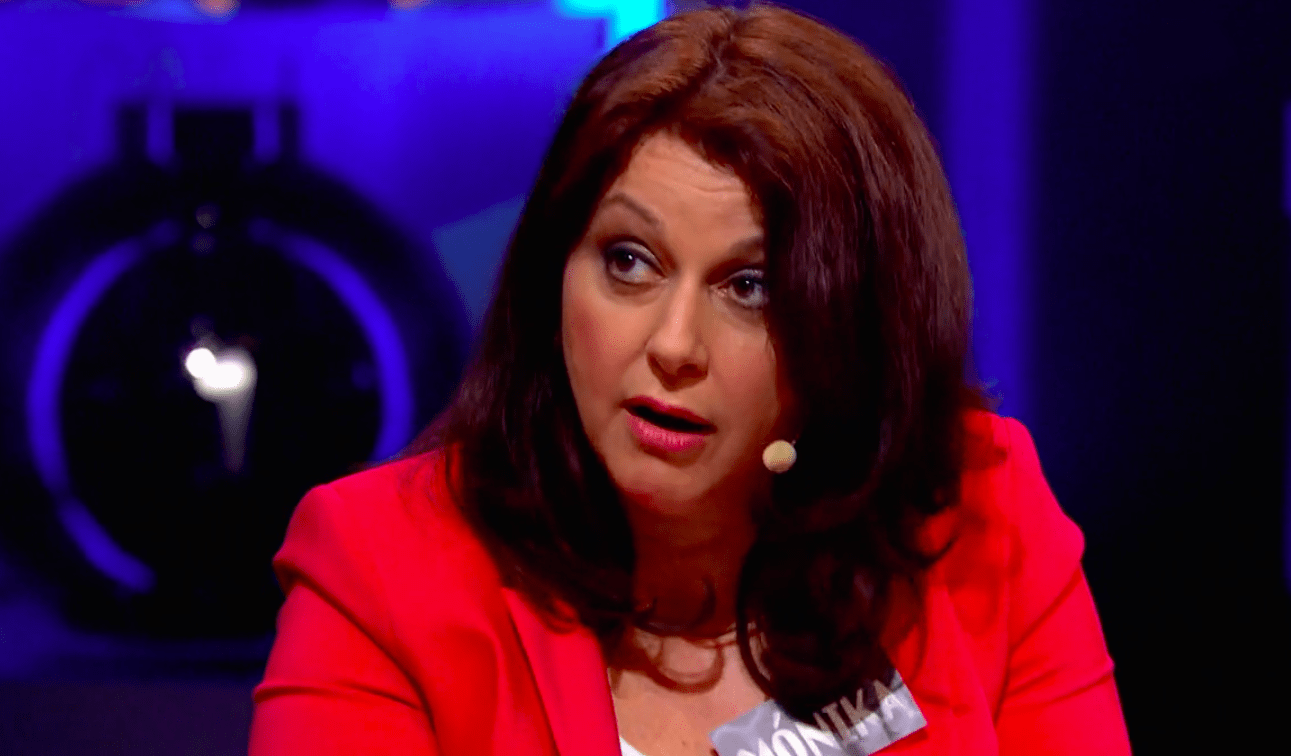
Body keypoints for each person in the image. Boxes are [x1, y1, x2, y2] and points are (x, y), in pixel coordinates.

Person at [248, 4, 1131, 755]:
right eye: (629, 261)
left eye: (750, 287)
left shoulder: (980, 517)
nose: (674, 346)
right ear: (553, 273)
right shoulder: (380, 570)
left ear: (852, 325)